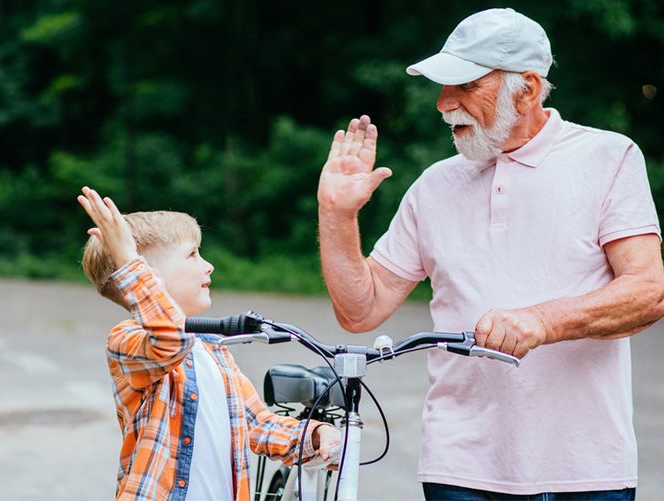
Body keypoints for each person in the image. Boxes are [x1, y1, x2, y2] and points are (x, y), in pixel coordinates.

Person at [317, 7, 664, 501]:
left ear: (525, 89)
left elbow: (649, 292)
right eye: (442, 87)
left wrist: (541, 322)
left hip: (586, 470)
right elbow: (360, 310)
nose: (443, 103)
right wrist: (336, 215)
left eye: (463, 86)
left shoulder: (609, 158)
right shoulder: (435, 184)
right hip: (459, 469)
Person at [76, 186, 341, 501]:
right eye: (192, 254)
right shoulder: (127, 339)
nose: (208, 265)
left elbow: (256, 423)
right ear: (148, 275)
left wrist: (313, 436)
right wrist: (128, 260)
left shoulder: (213, 347)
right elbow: (169, 341)